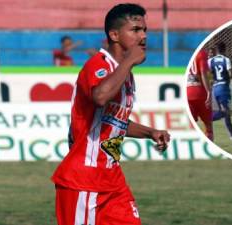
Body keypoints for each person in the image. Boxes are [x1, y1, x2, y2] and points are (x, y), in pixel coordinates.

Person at [51, 4, 170, 225]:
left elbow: (116, 122)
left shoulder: (124, 74)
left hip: (112, 179)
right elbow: (100, 96)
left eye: (144, 30)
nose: (143, 36)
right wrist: (128, 61)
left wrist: (150, 132)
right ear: (114, 35)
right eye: (135, 30)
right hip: (84, 180)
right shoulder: (98, 65)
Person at [208, 42, 232, 140]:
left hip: (215, 88)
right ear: (225, 49)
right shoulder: (226, 60)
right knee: (225, 112)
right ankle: (207, 119)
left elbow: (208, 73)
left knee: (225, 112)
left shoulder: (210, 60)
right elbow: (229, 74)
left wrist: (211, 80)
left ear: (216, 50)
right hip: (224, 88)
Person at [187, 49, 214, 140]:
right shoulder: (201, 53)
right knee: (208, 126)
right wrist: (209, 91)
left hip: (186, 93)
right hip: (199, 93)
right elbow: (203, 74)